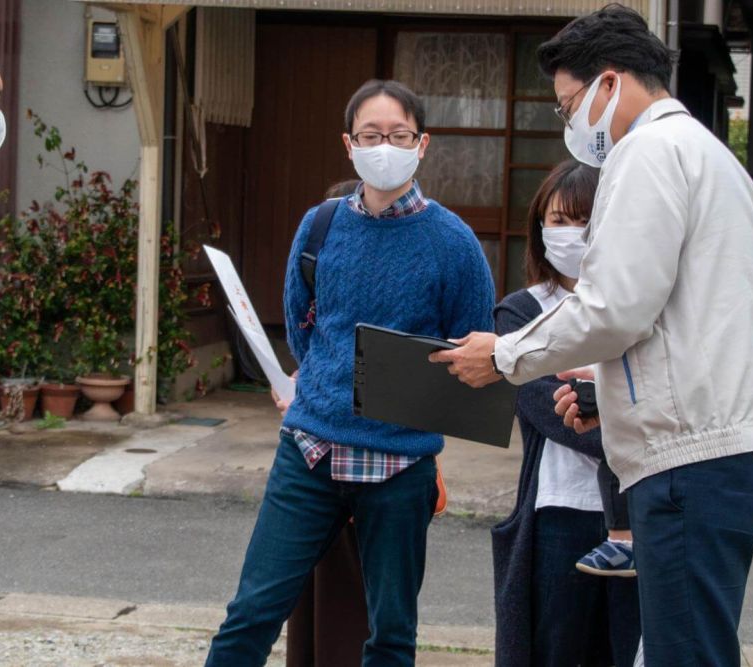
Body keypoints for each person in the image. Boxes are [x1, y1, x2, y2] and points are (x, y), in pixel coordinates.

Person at [430, 5, 753, 665]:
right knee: (689, 647)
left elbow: (614, 307)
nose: (571, 125)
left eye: (568, 107)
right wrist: (612, 388)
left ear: (611, 83)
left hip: (688, 460)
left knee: (684, 654)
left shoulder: (647, 152)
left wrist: (506, 354)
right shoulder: (714, 161)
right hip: (730, 449)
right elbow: (693, 321)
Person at [206, 79, 495, 666]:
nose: (383, 146)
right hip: (309, 453)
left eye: (398, 135)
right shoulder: (320, 226)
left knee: (390, 632)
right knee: (251, 613)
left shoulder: (454, 243)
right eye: (370, 135)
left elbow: (475, 353)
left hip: (401, 465)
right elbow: (305, 328)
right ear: (348, 143)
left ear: (422, 143)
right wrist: (323, 387)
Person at [492, 159, 640, 667]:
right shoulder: (522, 312)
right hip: (558, 511)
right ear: (539, 227)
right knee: (556, 651)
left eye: (585, 220)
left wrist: (606, 404)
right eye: (558, 219)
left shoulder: (640, 307)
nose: (570, 233)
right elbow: (550, 412)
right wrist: (638, 427)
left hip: (638, 516)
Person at [284, 178, 367, 667]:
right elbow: (299, 331)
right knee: (310, 600)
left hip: (377, 466)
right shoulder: (315, 251)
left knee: (356, 609)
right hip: (311, 451)